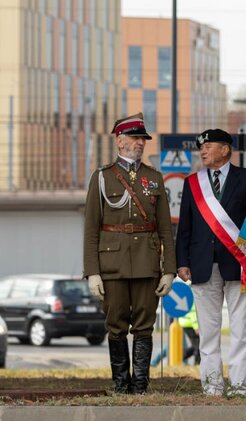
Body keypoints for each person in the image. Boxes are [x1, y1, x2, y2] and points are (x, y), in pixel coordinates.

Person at [83, 112, 176, 394]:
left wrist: (169, 269)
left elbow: (164, 229)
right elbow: (91, 229)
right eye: (135, 138)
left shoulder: (154, 178)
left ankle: (140, 384)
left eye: (143, 139)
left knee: (145, 326)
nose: (140, 143)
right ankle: (121, 384)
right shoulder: (102, 178)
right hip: (112, 264)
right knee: (116, 325)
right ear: (120, 141)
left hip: (147, 264)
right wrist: (92, 272)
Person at [176, 128, 246, 397]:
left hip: (240, 264)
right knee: (208, 330)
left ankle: (238, 385)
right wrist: (182, 261)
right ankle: (212, 385)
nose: (202, 151)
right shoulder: (193, 183)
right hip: (202, 264)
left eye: (208, 146)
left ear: (225, 149)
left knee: (241, 328)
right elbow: (185, 226)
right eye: (201, 147)